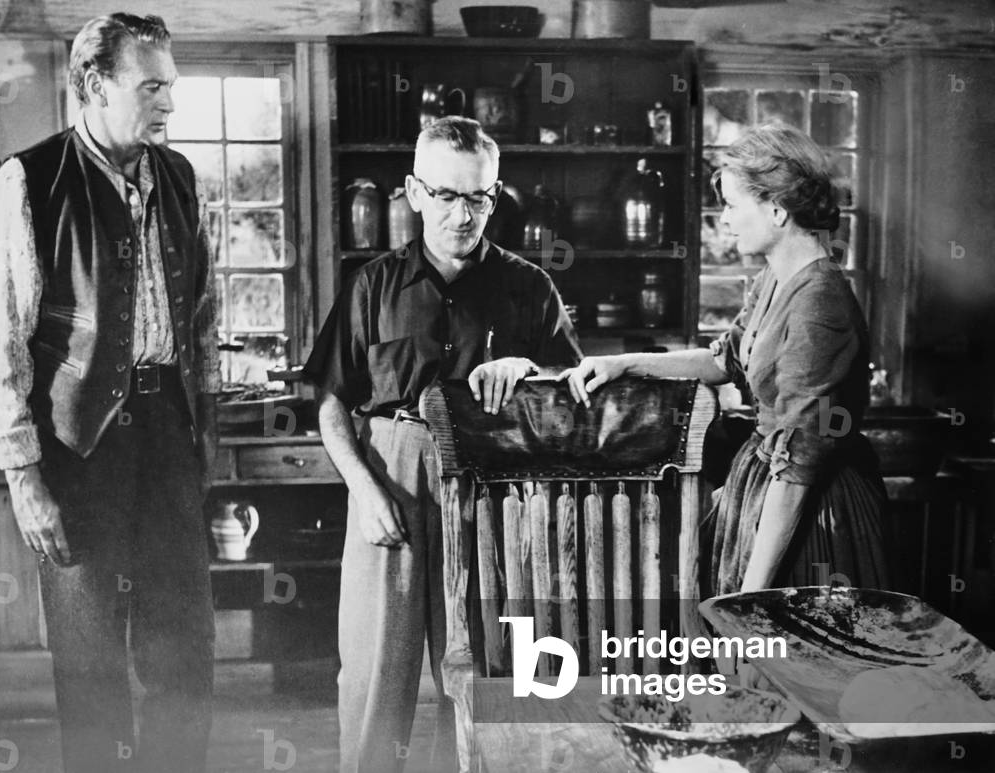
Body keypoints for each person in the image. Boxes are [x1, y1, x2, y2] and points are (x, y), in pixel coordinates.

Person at [0, 14, 219, 773]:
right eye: (151, 87)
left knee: (183, 653)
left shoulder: (177, 178)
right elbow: (1, 344)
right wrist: (23, 475)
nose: (168, 105)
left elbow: (201, 316)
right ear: (93, 83)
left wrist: (197, 434)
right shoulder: (29, 181)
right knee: (89, 667)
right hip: (80, 452)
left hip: (168, 442)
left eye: (170, 87)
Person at [304, 115, 582, 772]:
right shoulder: (372, 285)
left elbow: (574, 392)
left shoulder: (528, 287)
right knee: (376, 674)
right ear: (414, 192)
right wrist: (363, 489)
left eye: (478, 198)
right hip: (391, 477)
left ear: (495, 195)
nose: (463, 214)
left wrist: (532, 373)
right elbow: (331, 401)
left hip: (491, 487)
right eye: (447, 195)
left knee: (491, 665)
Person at [562, 124, 891, 596]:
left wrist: (748, 600)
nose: (725, 219)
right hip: (764, 486)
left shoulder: (821, 301)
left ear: (777, 209)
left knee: (782, 651)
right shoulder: (774, 279)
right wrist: (623, 364)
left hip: (812, 513)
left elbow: (799, 468)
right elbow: (725, 360)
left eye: (735, 205)